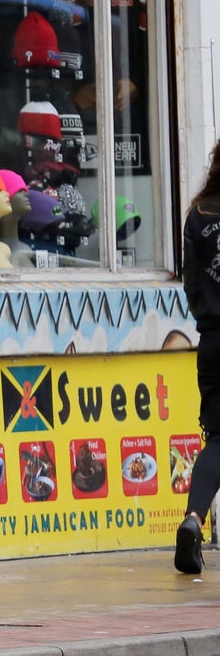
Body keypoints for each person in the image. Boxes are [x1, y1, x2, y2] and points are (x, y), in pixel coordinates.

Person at [175, 139, 220, 573]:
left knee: (219, 440)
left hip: (213, 341)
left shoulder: (199, 215)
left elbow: (190, 284)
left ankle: (193, 518)